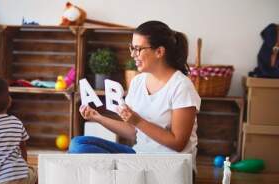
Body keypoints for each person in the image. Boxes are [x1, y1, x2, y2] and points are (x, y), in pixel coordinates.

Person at [69, 20, 201, 169]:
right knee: (78, 144)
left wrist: (137, 121)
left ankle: (120, 178)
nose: (132, 54)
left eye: (138, 49)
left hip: (171, 166)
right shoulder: (137, 82)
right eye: (132, 48)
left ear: (159, 52)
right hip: (140, 157)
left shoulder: (182, 86)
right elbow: (133, 132)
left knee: (85, 154)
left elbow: (178, 143)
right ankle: (124, 178)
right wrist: (97, 118)